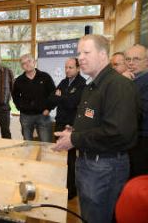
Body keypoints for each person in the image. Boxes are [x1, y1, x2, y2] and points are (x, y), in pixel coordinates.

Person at [53, 34, 139, 223]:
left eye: (86, 52)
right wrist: (73, 132)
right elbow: (94, 123)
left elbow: (117, 132)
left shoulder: (118, 86)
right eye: (78, 53)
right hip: (89, 164)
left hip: (105, 167)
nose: (80, 58)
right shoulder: (92, 86)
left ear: (102, 54)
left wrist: (74, 140)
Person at [48, 57, 86, 200]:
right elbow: (51, 98)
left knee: (70, 159)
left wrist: (61, 96)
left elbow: (72, 103)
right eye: (66, 67)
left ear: (78, 68)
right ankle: (60, 185)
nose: (67, 70)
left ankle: (71, 189)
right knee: (59, 156)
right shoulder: (64, 82)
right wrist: (63, 97)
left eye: (70, 67)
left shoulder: (82, 84)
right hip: (59, 123)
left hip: (70, 126)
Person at [12, 54, 56, 142]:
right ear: (22, 67)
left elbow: (53, 94)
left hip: (43, 115)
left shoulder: (45, 77)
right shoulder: (19, 80)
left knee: (46, 143)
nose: (27, 64)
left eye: (29, 61)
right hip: (26, 117)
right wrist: (20, 107)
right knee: (28, 144)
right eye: (24, 63)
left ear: (34, 62)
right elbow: (15, 96)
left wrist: (49, 108)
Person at [123, 44, 148, 178]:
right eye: (128, 59)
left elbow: (138, 113)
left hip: (142, 142)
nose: (131, 63)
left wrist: (125, 85)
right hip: (130, 141)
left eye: (136, 59)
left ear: (147, 61)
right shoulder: (129, 79)